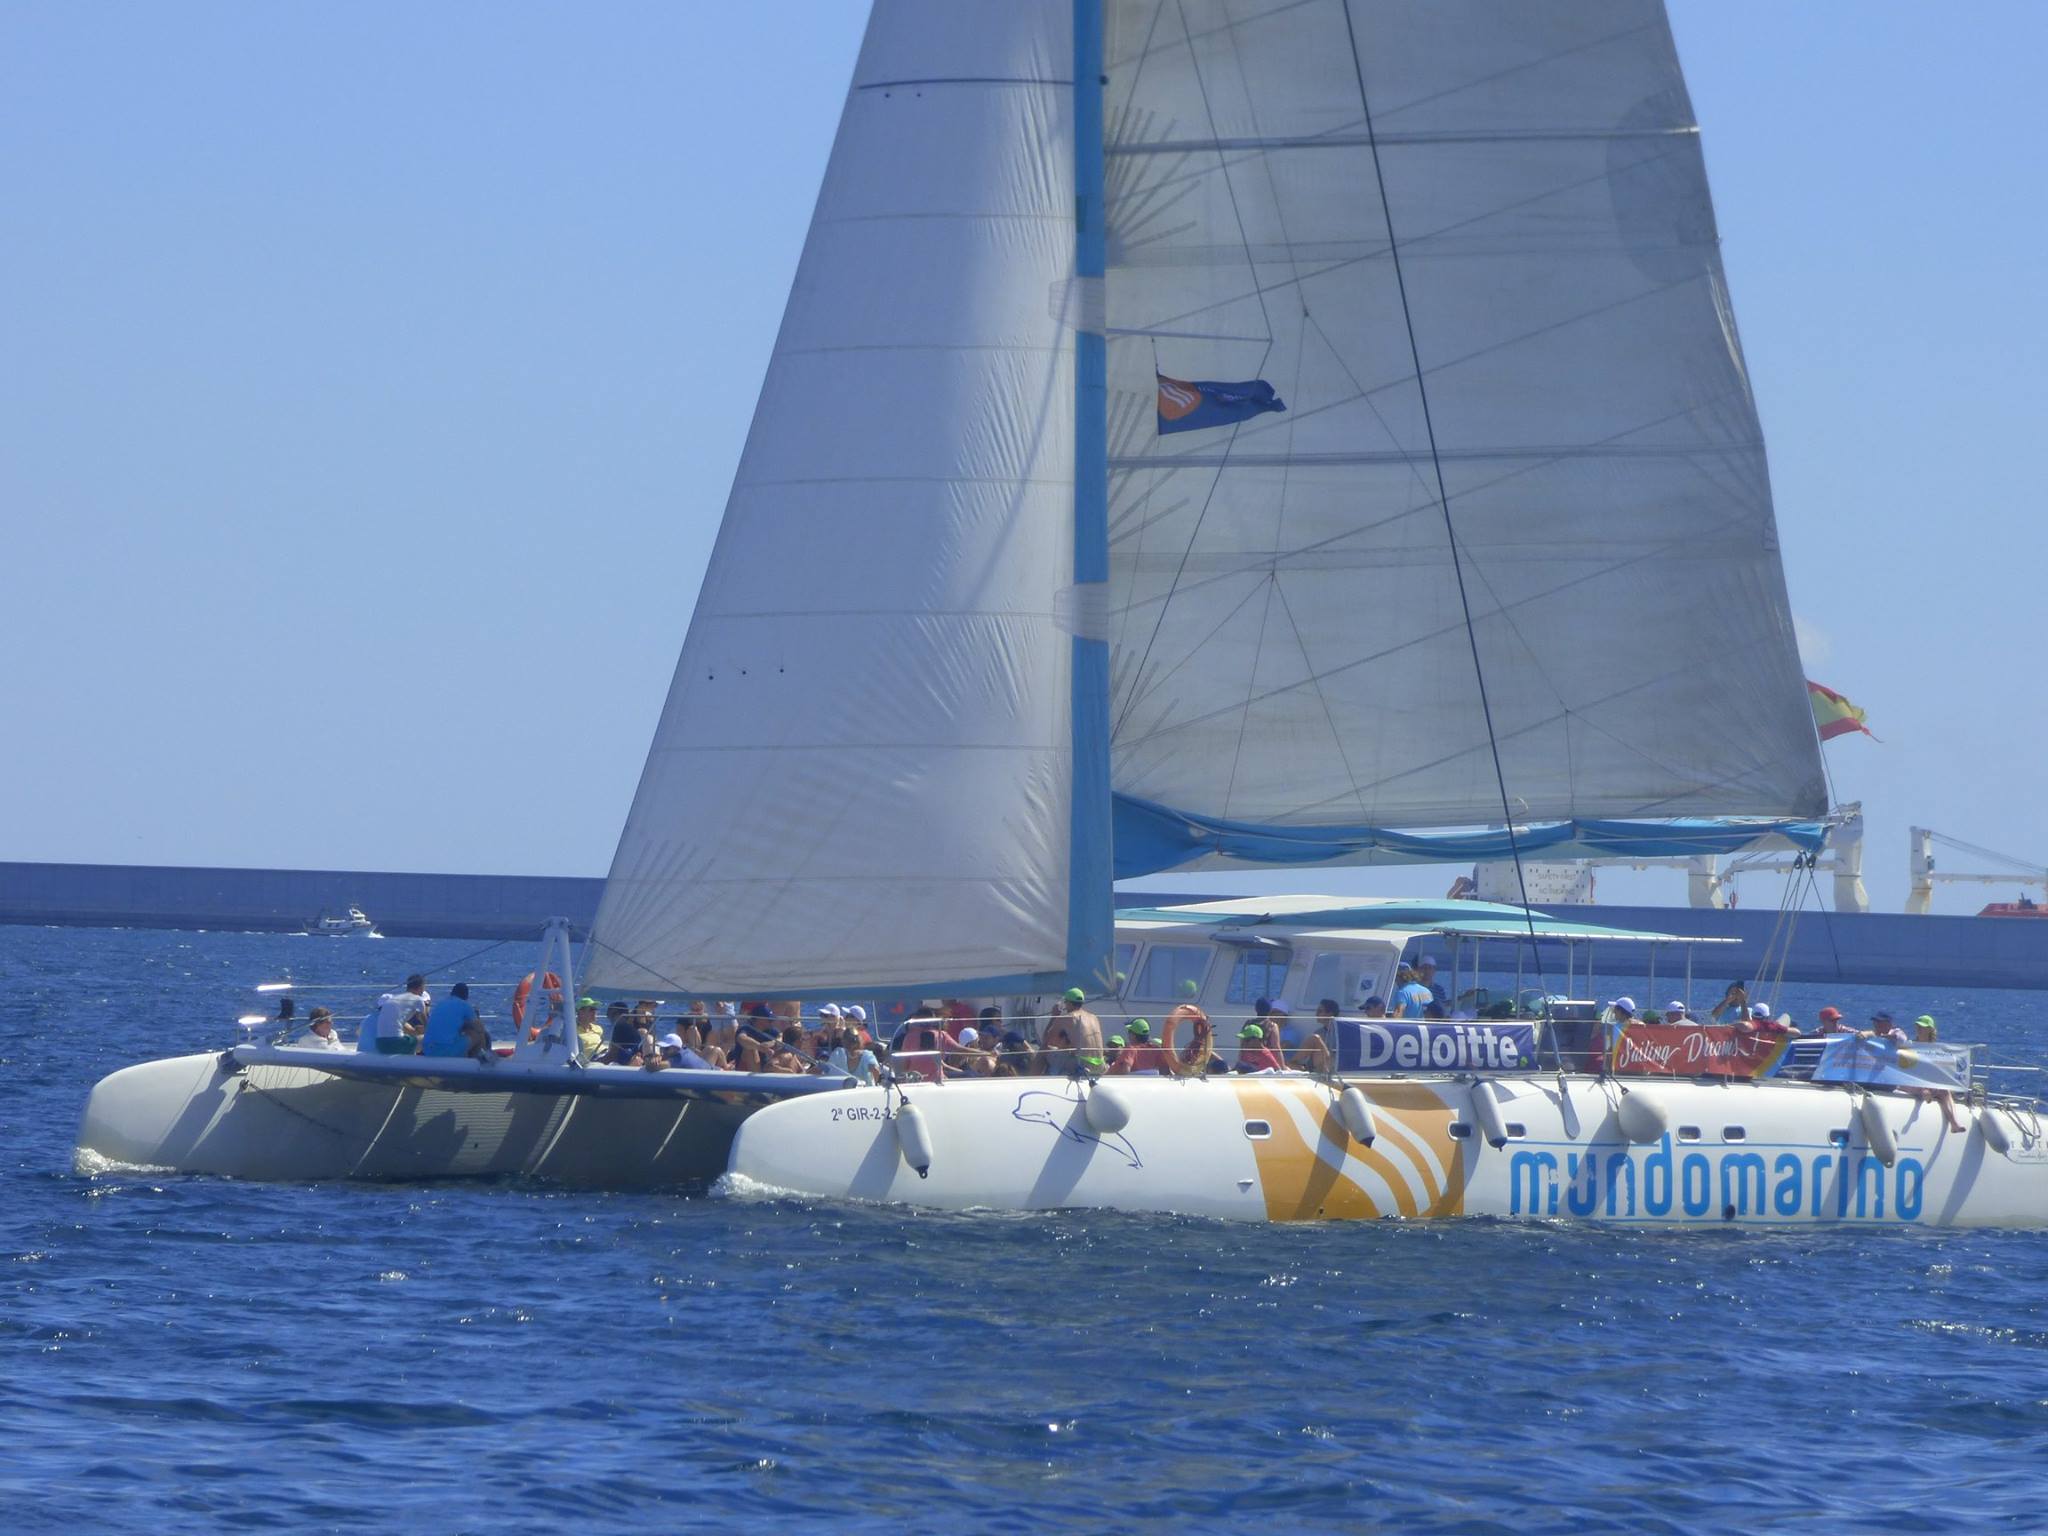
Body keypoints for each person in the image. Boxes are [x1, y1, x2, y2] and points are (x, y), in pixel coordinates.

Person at [1912, 1015, 1967, 1132]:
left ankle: (1954, 1124)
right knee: (1924, 1090)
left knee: (1945, 1091)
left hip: (1928, 1083)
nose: (1919, 1029)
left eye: (1922, 1027)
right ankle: (1925, 1095)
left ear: (1930, 1030)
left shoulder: (1937, 1050)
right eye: (1918, 1026)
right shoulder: (1909, 1045)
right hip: (1911, 1082)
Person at [361, 974, 432, 1054]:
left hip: (380, 1044)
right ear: (421, 987)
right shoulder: (418, 1000)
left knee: (410, 1038)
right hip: (396, 1044)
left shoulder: (393, 999)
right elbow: (427, 1025)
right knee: (427, 1038)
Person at [421, 982, 483, 1058]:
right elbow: (479, 1028)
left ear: (451, 993)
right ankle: (478, 1060)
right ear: (466, 996)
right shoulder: (464, 1005)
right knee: (478, 1034)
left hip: (427, 1050)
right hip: (444, 1051)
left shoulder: (441, 1003)